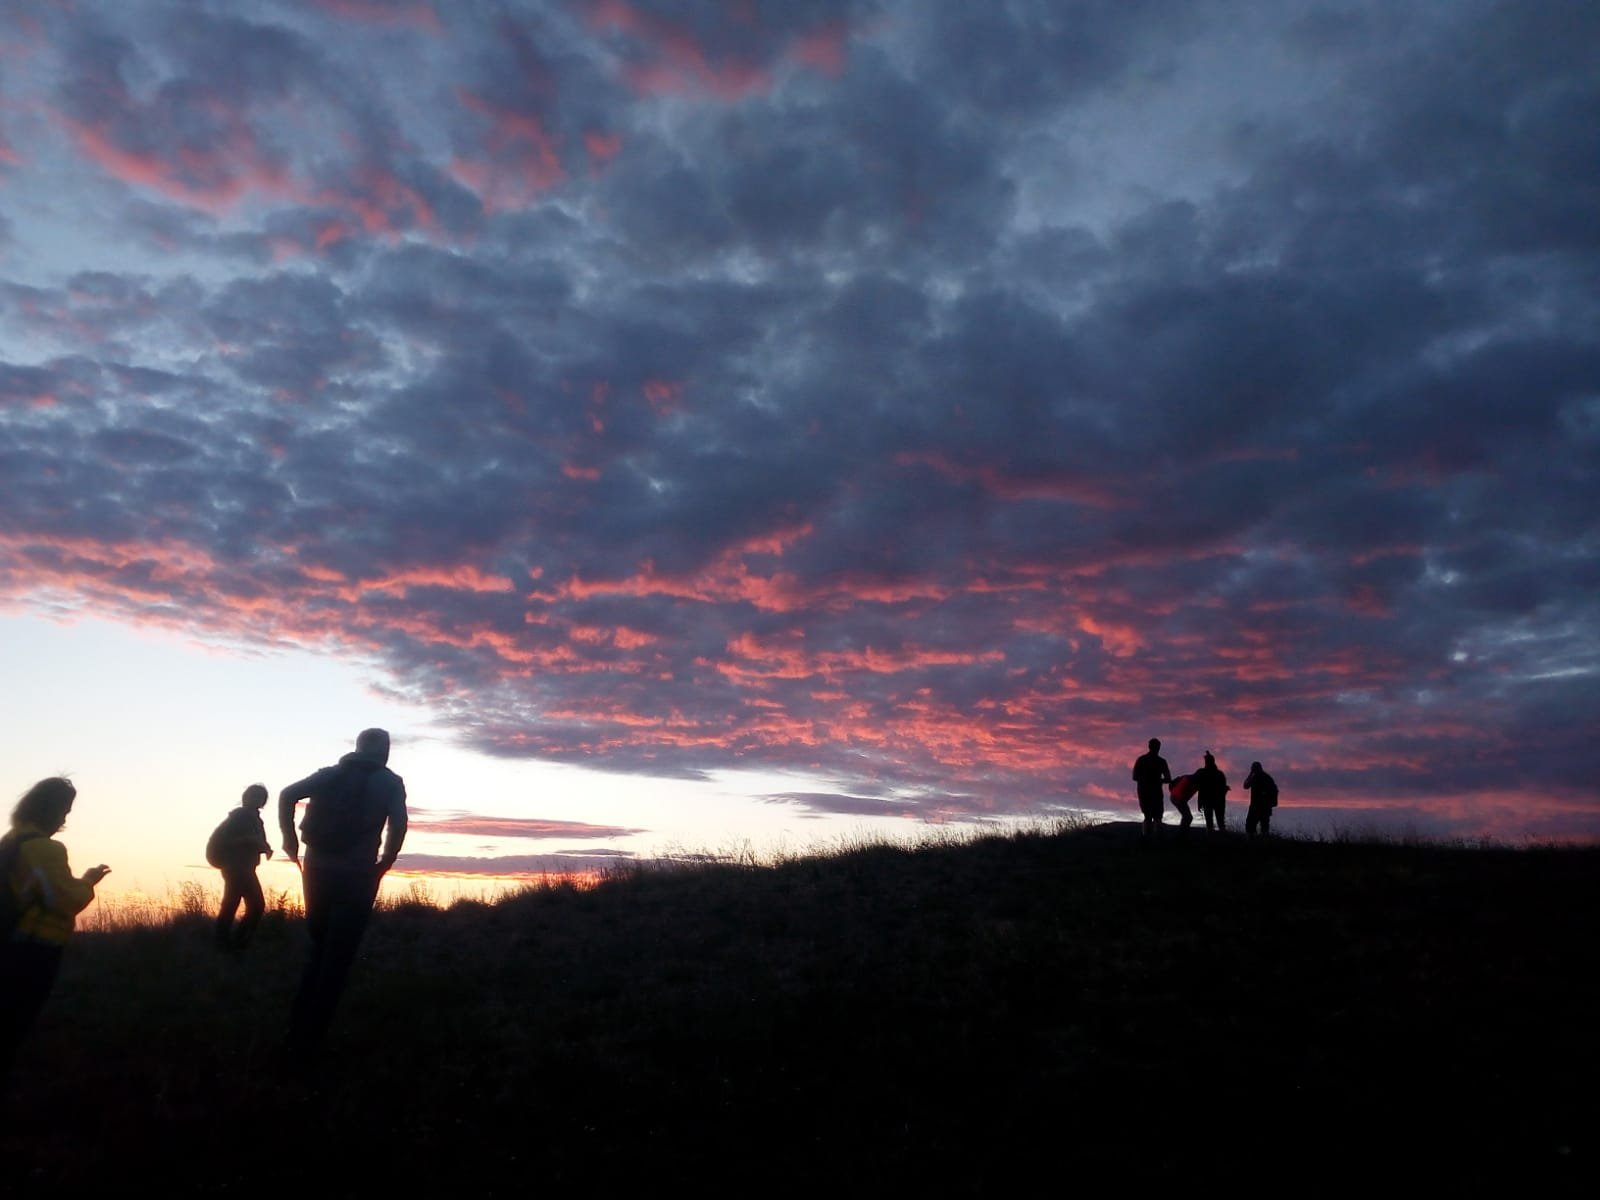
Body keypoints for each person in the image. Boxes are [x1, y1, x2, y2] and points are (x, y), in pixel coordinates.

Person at [278, 728, 407, 1055]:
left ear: (358, 747)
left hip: (318, 870)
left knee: (319, 947)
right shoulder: (391, 783)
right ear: (385, 751)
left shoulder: (329, 775)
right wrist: (386, 861)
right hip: (359, 874)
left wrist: (290, 840)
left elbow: (286, 794)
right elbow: (398, 824)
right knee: (338, 957)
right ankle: (311, 1040)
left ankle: (296, 1030)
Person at [1, 778, 110, 1077]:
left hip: (9, 942)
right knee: (17, 1020)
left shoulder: (10, 842)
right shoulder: (45, 849)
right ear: (50, 811)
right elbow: (64, 900)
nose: (65, 819)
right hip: (34, 949)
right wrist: (88, 882)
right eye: (64, 811)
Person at [210, 784, 273, 951]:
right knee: (257, 906)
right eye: (253, 796)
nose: (256, 799)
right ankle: (236, 944)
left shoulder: (255, 819)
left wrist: (264, 847)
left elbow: (256, 841)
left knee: (232, 905)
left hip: (244, 867)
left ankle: (224, 945)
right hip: (236, 868)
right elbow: (230, 841)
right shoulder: (239, 817)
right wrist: (252, 842)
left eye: (260, 797)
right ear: (246, 797)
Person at [1131, 738, 1172, 837]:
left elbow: (1135, 777)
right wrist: (1158, 780)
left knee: (1148, 817)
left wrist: (1146, 780)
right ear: (1159, 748)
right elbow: (1168, 778)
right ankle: (1155, 841)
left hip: (1145, 792)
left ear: (1149, 747)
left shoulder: (1141, 759)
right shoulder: (1161, 761)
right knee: (1156, 817)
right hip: (1154, 793)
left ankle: (1147, 841)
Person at [1192, 751, 1231, 832]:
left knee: (1212, 824)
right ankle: (1221, 840)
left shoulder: (1202, 772)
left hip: (1210, 801)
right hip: (1217, 802)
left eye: (1206, 761)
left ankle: (1213, 840)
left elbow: (1199, 788)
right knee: (1219, 824)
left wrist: (1199, 803)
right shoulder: (1219, 774)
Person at [1243, 761, 1279, 838]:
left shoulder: (1265, 778)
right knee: (1252, 827)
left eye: (1254, 769)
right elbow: (1245, 786)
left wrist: (1272, 802)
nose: (1254, 771)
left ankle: (1261, 844)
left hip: (1263, 807)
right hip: (1256, 806)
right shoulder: (1255, 777)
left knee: (1261, 827)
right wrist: (1250, 775)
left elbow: (1274, 790)